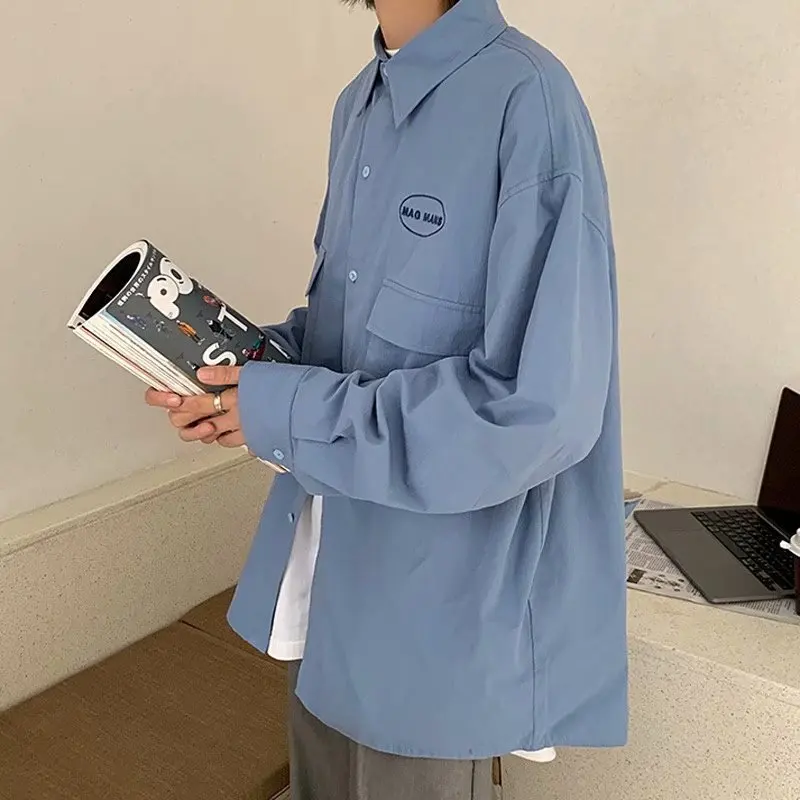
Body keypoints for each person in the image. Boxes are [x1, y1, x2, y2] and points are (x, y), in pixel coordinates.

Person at [145, 0, 628, 797]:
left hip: (437, 614)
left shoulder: (529, 99)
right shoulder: (358, 104)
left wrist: (290, 412)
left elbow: (536, 411)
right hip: (326, 572)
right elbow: (350, 337)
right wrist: (243, 381)